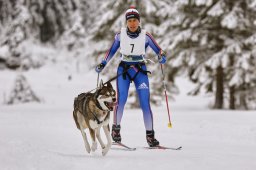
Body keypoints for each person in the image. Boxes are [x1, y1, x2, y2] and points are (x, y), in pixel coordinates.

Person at [95, 6, 166, 147]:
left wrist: (161, 56)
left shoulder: (146, 36)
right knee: (120, 101)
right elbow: (111, 52)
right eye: (130, 21)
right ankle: (115, 132)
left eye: (135, 21)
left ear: (139, 22)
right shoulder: (120, 36)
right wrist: (103, 63)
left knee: (145, 103)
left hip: (140, 71)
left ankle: (150, 136)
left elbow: (159, 50)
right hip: (124, 70)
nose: (132, 23)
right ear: (126, 23)